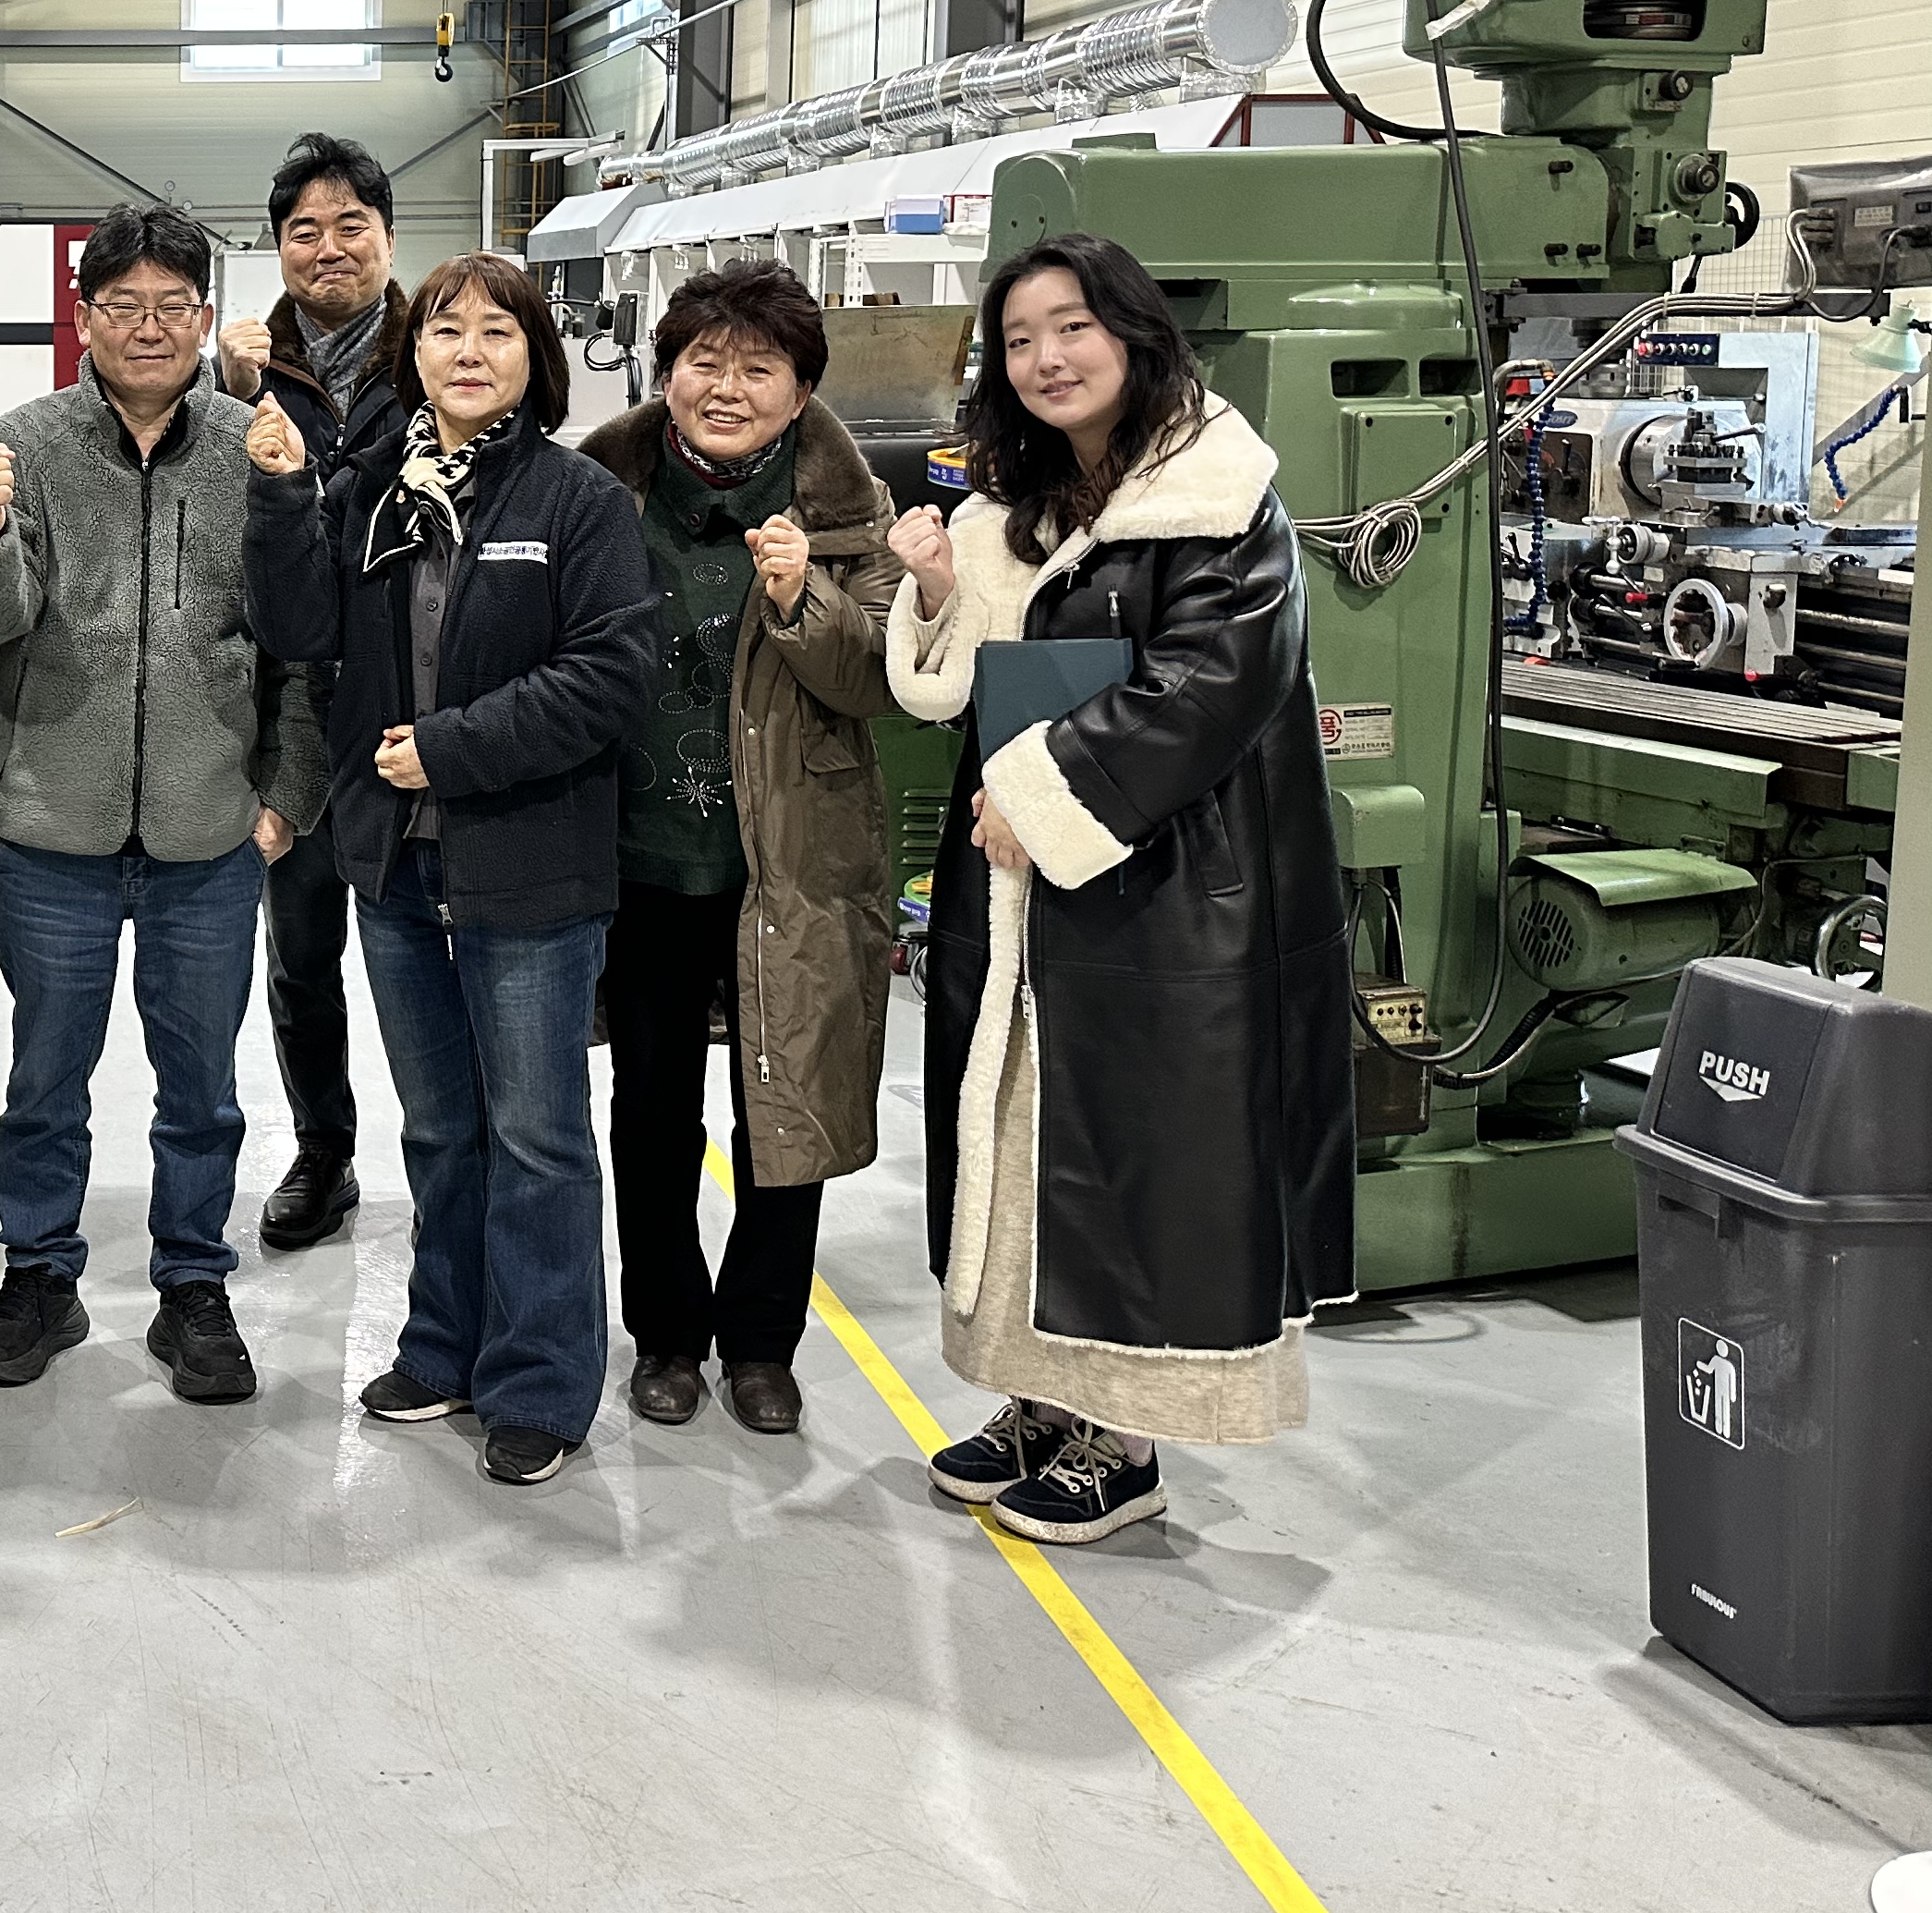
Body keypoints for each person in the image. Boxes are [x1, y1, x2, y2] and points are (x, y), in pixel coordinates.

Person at [887, 230, 1354, 1546]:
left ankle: (1128, 1440)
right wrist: (940, 592)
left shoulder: (1221, 500)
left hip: (1167, 892)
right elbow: (967, 679)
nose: (1045, 358)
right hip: (1026, 890)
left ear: (1134, 334)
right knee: (1026, 1136)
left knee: (1139, 1160)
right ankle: (1044, 1397)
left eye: (1072, 327)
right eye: (1018, 338)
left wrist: (1039, 800)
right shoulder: (1019, 507)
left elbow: (1208, 685)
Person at [245, 252, 659, 1486]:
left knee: (535, 1135)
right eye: (444, 331)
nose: (468, 352)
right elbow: (300, 629)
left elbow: (611, 675)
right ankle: (447, 1346)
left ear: (537, 357)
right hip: (394, 866)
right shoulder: (374, 488)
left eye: (496, 332)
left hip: (528, 867)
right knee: (438, 1129)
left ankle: (541, 1380)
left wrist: (453, 748)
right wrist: (283, 497)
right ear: (411, 354)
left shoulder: (578, 502)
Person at [0, 202, 327, 1405]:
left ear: (205, 317)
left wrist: (284, 797)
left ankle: (193, 1285)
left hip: (212, 834)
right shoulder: (22, 445)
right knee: (44, 1080)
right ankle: (38, 1275)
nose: (148, 328)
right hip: (56, 832)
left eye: (172, 307)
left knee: (201, 1089)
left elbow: (301, 642)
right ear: (85, 315)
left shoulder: (253, 444)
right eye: (122, 306)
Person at [574, 262, 899, 1437]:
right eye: (704, 361)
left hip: (794, 864)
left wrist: (807, 599)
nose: (727, 387)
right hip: (645, 859)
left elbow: (880, 681)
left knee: (785, 1113)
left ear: (801, 392)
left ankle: (763, 1344)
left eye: (759, 368)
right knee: (652, 1112)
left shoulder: (850, 513)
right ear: (665, 373)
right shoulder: (600, 491)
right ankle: (666, 1334)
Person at [211, 131, 407, 1253]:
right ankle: (324, 1151)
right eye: (303, 232)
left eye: (350, 226)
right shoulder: (246, 373)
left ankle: (455, 1157)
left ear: (388, 237)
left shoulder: (436, 355)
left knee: (430, 953)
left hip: (413, 703)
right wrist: (231, 395)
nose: (328, 248)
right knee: (301, 958)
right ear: (278, 248)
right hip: (290, 713)